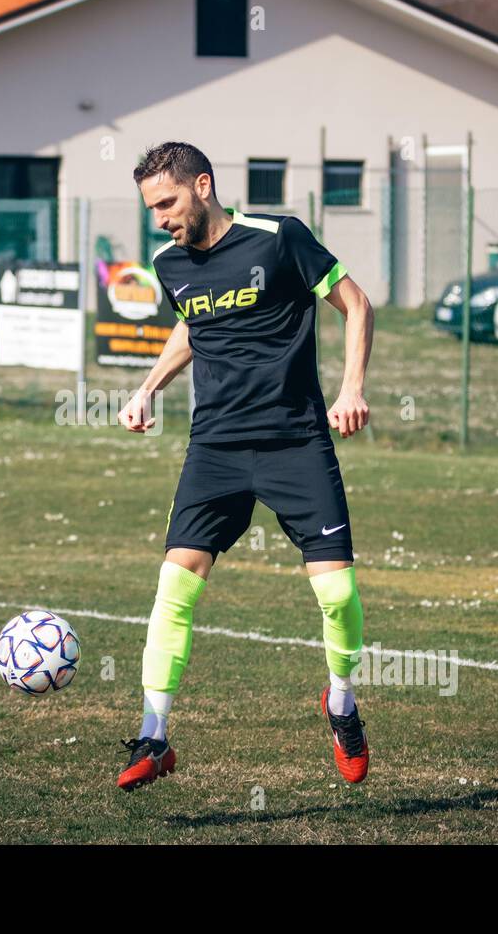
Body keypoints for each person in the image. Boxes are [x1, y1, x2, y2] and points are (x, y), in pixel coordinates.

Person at [114, 143, 374, 791]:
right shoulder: (168, 263)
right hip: (216, 449)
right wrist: (149, 388)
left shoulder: (279, 238)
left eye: (168, 202)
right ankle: (154, 736)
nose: (161, 219)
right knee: (175, 590)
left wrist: (351, 389)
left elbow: (357, 304)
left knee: (337, 595)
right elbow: (193, 326)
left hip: (296, 443)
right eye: (152, 208)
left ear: (203, 185)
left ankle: (341, 703)